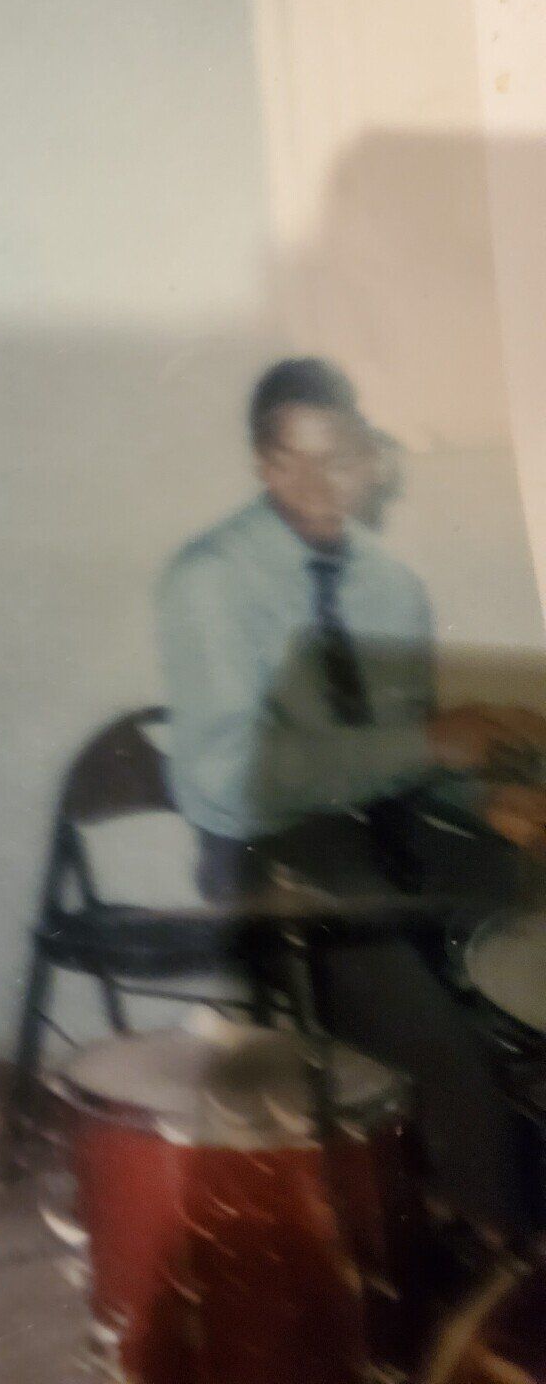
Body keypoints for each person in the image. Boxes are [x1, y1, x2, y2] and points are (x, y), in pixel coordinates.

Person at [158, 356, 546, 1245]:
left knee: (530, 893)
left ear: (369, 458)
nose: (315, 486)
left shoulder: (390, 587)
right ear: (262, 465)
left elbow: (403, 756)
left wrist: (486, 798)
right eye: (288, 461)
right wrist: (429, 744)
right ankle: (495, 1281)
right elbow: (228, 778)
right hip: (266, 850)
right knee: (439, 1050)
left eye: (336, 457)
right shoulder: (210, 581)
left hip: (390, 831)